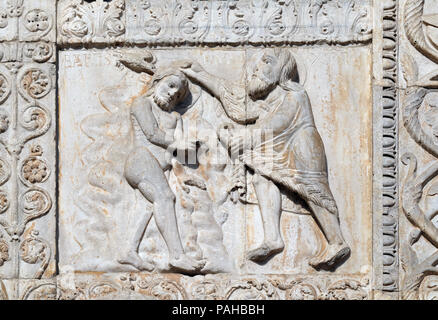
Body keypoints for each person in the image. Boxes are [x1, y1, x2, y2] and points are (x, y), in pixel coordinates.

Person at [180, 49, 350, 269]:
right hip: (277, 147)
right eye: (257, 64)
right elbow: (235, 99)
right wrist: (201, 75)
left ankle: (337, 241)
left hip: (301, 146)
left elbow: (279, 123)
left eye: (267, 62)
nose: (257, 68)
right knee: (261, 177)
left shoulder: (295, 94)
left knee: (313, 191)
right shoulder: (264, 100)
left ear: (282, 70)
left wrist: (248, 136)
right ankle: (273, 238)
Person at [119, 67, 205, 273]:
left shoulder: (176, 118)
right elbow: (152, 134)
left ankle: (129, 251)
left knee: (150, 206)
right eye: (170, 85)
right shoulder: (142, 103)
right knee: (166, 198)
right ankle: (177, 256)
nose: (173, 93)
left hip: (159, 167)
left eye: (179, 93)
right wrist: (180, 144)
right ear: (157, 81)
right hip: (141, 160)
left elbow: (178, 153)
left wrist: (190, 155)